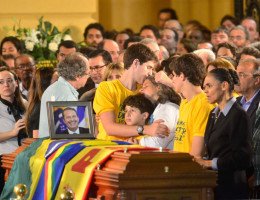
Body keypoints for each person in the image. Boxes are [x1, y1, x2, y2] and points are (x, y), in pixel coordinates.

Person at [94, 43, 168, 141]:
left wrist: (168, 82)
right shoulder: (106, 88)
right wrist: (145, 129)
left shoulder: (145, 90)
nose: (150, 73)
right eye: (148, 67)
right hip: (109, 149)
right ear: (136, 63)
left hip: (138, 148)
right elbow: (110, 128)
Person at [197, 68, 251, 199]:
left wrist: (210, 163)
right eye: (204, 87)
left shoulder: (238, 115)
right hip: (214, 185)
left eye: (209, 86)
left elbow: (242, 157)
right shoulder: (213, 114)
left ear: (224, 86)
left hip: (232, 188)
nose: (205, 91)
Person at [156, 53, 214, 156]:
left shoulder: (204, 104)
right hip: (180, 165)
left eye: (174, 75)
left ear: (182, 76)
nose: (172, 80)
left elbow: (197, 153)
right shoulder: (186, 100)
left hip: (190, 169)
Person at [38, 53, 89, 138]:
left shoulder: (53, 87)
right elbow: (70, 132)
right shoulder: (67, 96)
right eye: (88, 73)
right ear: (77, 76)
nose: (88, 77)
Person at [0, 67, 27, 194]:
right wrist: (13, 132)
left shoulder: (26, 104)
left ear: (16, 83)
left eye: (9, 80)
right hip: (4, 160)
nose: (6, 84)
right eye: (1, 82)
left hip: (25, 158)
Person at [140, 76, 181, 149]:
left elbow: (158, 143)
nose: (141, 89)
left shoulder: (167, 109)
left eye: (146, 86)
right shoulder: (162, 107)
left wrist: (138, 141)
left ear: (158, 87)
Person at [25, 67, 57, 138]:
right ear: (46, 85)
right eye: (57, 81)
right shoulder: (40, 108)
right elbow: (37, 140)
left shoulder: (44, 104)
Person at [236, 58, 260, 132]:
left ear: (256, 80)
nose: (236, 79)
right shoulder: (235, 102)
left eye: (242, 75)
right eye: (236, 74)